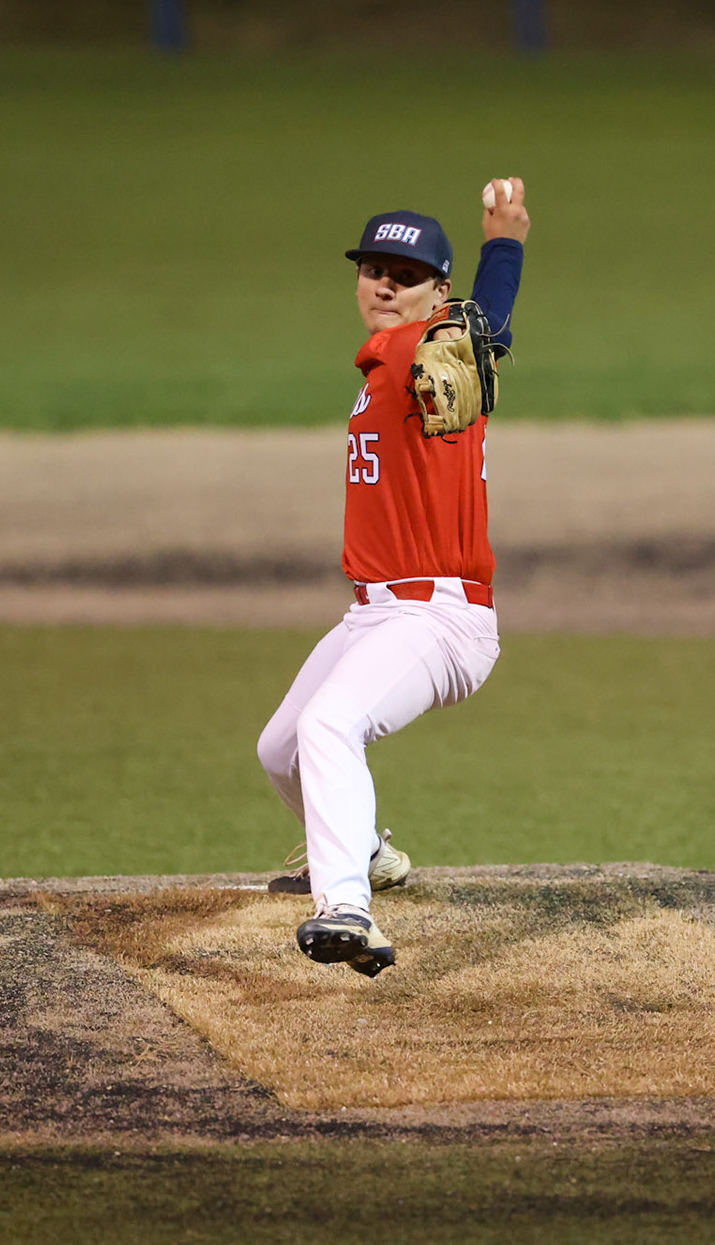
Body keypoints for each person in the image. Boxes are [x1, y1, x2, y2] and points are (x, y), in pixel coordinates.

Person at [255, 179, 530, 977]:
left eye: (405, 274)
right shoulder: (382, 362)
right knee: (281, 749)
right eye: (374, 267)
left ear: (439, 291)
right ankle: (369, 853)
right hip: (375, 617)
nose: (384, 283)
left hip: (441, 618)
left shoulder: (430, 343)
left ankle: (346, 906)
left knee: (330, 726)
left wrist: (505, 243)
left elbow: (489, 329)